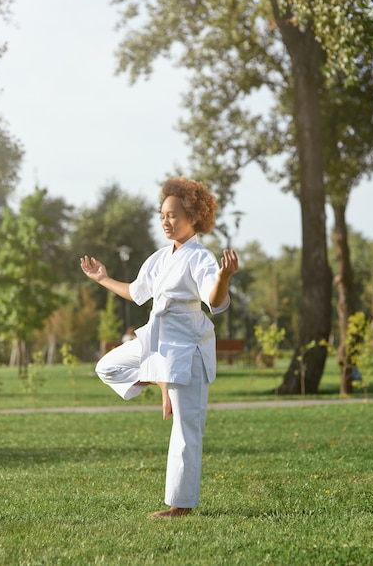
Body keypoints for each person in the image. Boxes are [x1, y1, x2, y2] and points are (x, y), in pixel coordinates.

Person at [80, 176, 238, 518]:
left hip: (187, 348)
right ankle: (160, 379)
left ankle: (179, 505)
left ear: (193, 217)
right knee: (107, 366)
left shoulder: (201, 257)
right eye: (162, 215)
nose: (166, 221)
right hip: (157, 340)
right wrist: (102, 278)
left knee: (186, 429)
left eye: (173, 215)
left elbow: (214, 299)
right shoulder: (160, 257)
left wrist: (224, 278)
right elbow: (137, 293)